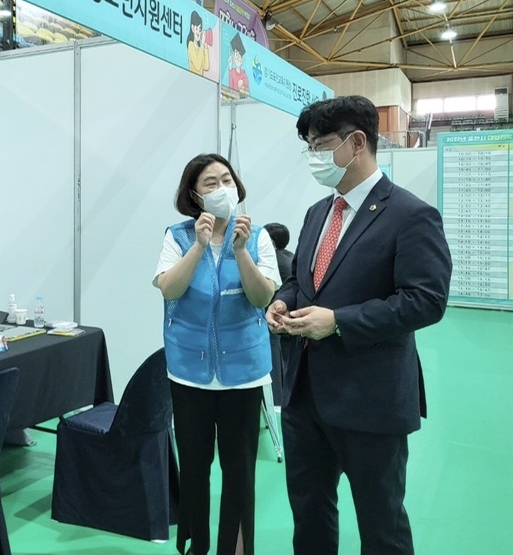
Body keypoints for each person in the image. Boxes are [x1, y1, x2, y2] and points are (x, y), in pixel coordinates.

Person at [265, 95, 452, 555]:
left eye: (321, 144)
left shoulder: (410, 214)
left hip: (370, 399)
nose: (313, 155)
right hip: (304, 396)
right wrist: (282, 301)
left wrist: (339, 322)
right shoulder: (317, 213)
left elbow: (426, 301)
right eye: (309, 146)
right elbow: (302, 280)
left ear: (357, 143)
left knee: (381, 523)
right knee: (309, 513)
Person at [154, 153, 280, 555]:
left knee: (239, 471)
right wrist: (198, 245)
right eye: (211, 183)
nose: (222, 188)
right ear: (195, 195)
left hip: (243, 374)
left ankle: (236, 550)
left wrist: (240, 251)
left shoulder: (257, 237)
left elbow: (262, 297)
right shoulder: (177, 237)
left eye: (227, 179)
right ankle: (196, 546)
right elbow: (170, 288)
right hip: (189, 373)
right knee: (194, 468)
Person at [263, 222, 294, 406]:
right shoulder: (290, 257)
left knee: (274, 364)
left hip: (275, 319)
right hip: (291, 320)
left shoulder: (272, 261)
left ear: (271, 242)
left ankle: (275, 403)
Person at [187, 10, 210, 76]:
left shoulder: (200, 48)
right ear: (192, 28)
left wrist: (206, 49)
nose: (198, 33)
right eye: (196, 29)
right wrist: (202, 44)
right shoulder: (190, 45)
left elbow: (206, 66)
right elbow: (197, 65)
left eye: (199, 30)